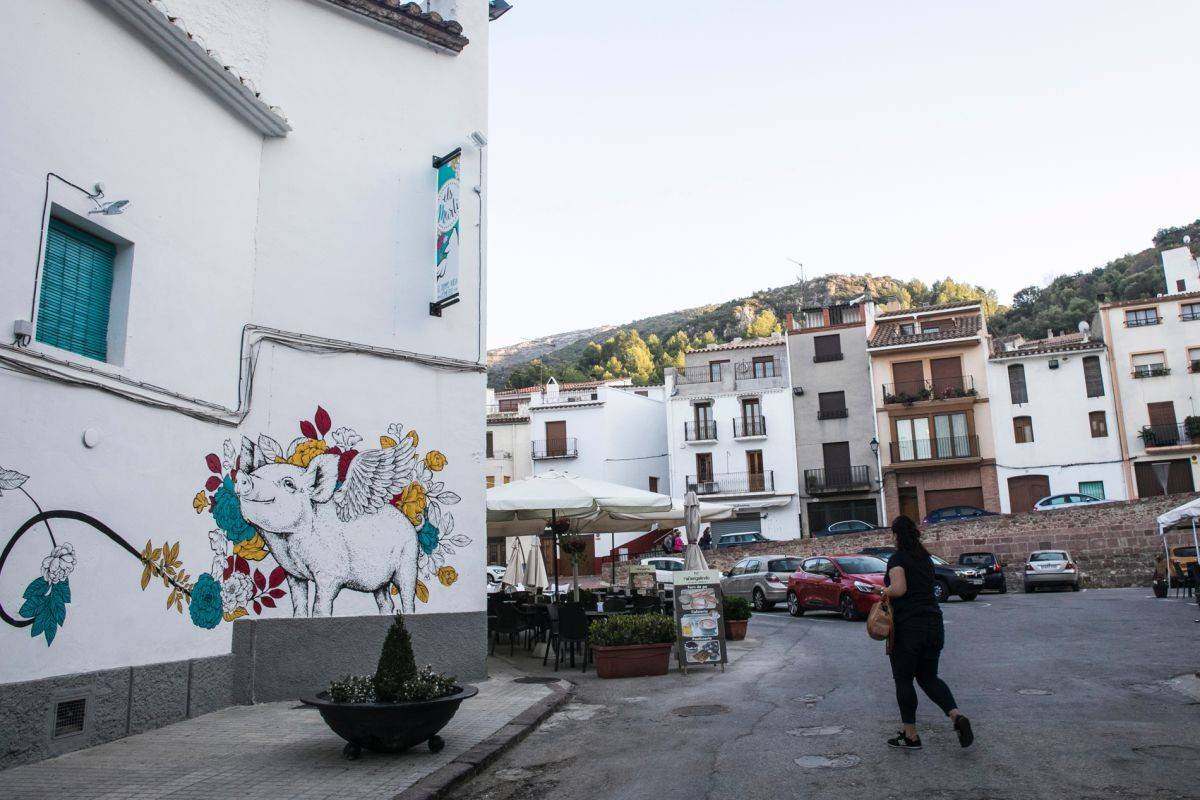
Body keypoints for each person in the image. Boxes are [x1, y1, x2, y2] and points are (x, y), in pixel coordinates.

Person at [878, 515, 974, 750]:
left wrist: (884, 591)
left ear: (896, 535)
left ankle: (911, 735)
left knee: (904, 679)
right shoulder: (926, 559)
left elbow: (899, 588)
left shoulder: (897, 559)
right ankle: (956, 716)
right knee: (929, 677)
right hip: (933, 624)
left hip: (909, 628)